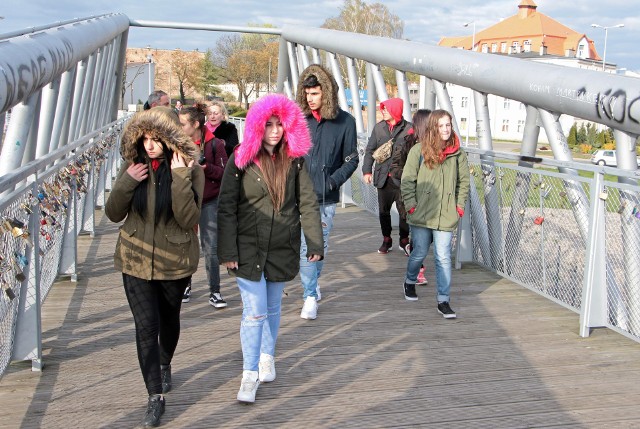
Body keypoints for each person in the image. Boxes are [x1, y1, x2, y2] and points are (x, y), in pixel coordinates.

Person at [218, 94, 324, 404]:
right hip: (247, 247)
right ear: (257, 126)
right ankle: (249, 374)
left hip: (281, 245)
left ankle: (267, 355)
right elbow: (226, 207)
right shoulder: (241, 159)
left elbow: (307, 202)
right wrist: (227, 251)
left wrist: (314, 242)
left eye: (280, 124)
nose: (275, 131)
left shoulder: (296, 160)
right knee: (255, 313)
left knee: (274, 308)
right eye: (269, 124)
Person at [105, 107, 204, 427]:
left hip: (174, 262)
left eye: (156, 138)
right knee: (146, 326)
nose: (149, 145)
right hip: (134, 260)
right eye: (144, 138)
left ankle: (165, 363)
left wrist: (179, 177)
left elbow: (189, 219)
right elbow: (112, 213)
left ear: (170, 138)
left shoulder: (191, 170)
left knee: (168, 320)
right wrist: (126, 183)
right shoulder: (132, 166)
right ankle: (154, 396)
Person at [295, 64, 359, 320]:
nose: (310, 99)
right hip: (296, 196)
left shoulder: (345, 122)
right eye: (307, 93)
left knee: (314, 247)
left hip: (324, 198)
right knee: (301, 248)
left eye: (315, 93)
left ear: (327, 93)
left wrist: (332, 182)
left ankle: (310, 293)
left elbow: (352, 159)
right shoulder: (298, 120)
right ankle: (311, 289)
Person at [400, 109, 470, 318]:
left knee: (443, 257)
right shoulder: (418, 151)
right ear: (433, 128)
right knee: (419, 252)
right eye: (441, 125)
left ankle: (443, 300)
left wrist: (459, 206)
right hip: (422, 213)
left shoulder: (458, 153)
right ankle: (410, 280)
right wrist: (412, 205)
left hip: (446, 214)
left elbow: (464, 182)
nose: (446, 129)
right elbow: (407, 180)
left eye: (448, 124)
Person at [178, 103, 229, 308]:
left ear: (195, 124)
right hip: (186, 200)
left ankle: (214, 291)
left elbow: (225, 174)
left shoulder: (215, 144)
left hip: (209, 200)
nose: (179, 127)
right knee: (185, 246)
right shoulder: (177, 144)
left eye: (182, 124)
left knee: (211, 247)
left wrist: (206, 168)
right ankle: (184, 286)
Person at [362, 98, 412, 255]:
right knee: (383, 211)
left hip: (402, 178)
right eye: (382, 109)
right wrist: (367, 171)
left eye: (385, 109)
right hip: (383, 178)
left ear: (395, 110)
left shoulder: (409, 129)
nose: (382, 111)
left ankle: (404, 241)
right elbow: (370, 150)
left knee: (404, 211)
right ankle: (387, 239)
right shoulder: (379, 128)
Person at [389, 109, 432, 285]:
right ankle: (418, 270)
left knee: (426, 238)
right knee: (417, 235)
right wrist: (411, 174)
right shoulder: (406, 143)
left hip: (431, 198)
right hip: (409, 196)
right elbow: (394, 167)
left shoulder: (437, 145)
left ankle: (415, 263)